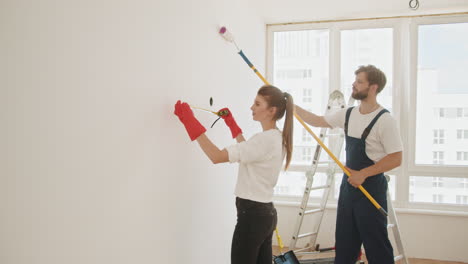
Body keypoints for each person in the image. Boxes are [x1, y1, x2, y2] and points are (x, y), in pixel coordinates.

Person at [173, 85, 294, 264]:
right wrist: (232, 125)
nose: (251, 107)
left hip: (252, 216)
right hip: (266, 214)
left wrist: (190, 122)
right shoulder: (277, 138)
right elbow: (250, 154)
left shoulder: (264, 140)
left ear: (271, 111)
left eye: (257, 103)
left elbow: (216, 156)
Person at [295, 65, 402, 264]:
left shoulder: (385, 120)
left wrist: (364, 173)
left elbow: (396, 158)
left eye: (359, 81)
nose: (353, 84)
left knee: (377, 247)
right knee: (345, 245)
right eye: (355, 80)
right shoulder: (349, 114)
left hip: (370, 189)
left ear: (373, 87)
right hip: (348, 189)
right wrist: (292, 106)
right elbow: (317, 120)